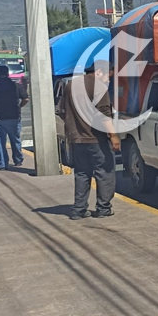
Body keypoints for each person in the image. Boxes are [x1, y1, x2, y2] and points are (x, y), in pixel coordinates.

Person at [58, 60, 120, 220]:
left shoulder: (70, 85)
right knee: (104, 172)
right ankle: (103, 208)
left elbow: (62, 111)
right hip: (96, 139)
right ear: (99, 72)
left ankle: (79, 210)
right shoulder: (99, 87)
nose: (108, 80)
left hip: (77, 139)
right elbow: (104, 114)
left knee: (82, 173)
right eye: (108, 76)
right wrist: (113, 136)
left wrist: (75, 127)